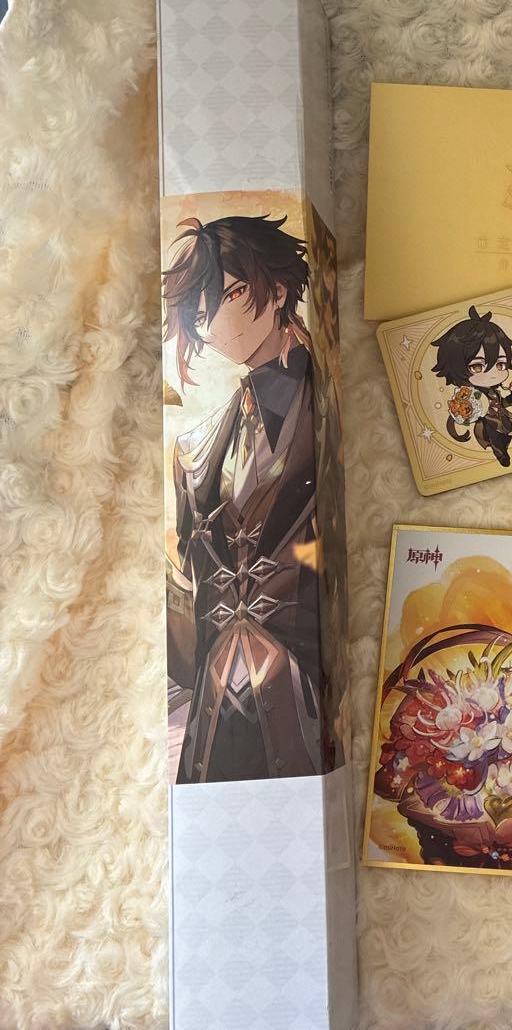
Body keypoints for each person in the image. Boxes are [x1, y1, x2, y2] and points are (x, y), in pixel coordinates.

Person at [163, 214, 336, 783]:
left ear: (278, 291)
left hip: (303, 694)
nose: (217, 324)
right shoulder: (197, 447)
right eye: (202, 314)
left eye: (231, 295)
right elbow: (192, 594)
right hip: (215, 708)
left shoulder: (329, 401)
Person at [430, 307, 512, 467]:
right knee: (495, 437)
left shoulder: (494, 391)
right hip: (490, 424)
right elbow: (473, 411)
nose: (493, 373)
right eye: (477, 366)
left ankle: (504, 449)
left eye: (501, 364)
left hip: (505, 419)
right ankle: (501, 454)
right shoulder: (470, 394)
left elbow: (504, 403)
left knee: (507, 436)